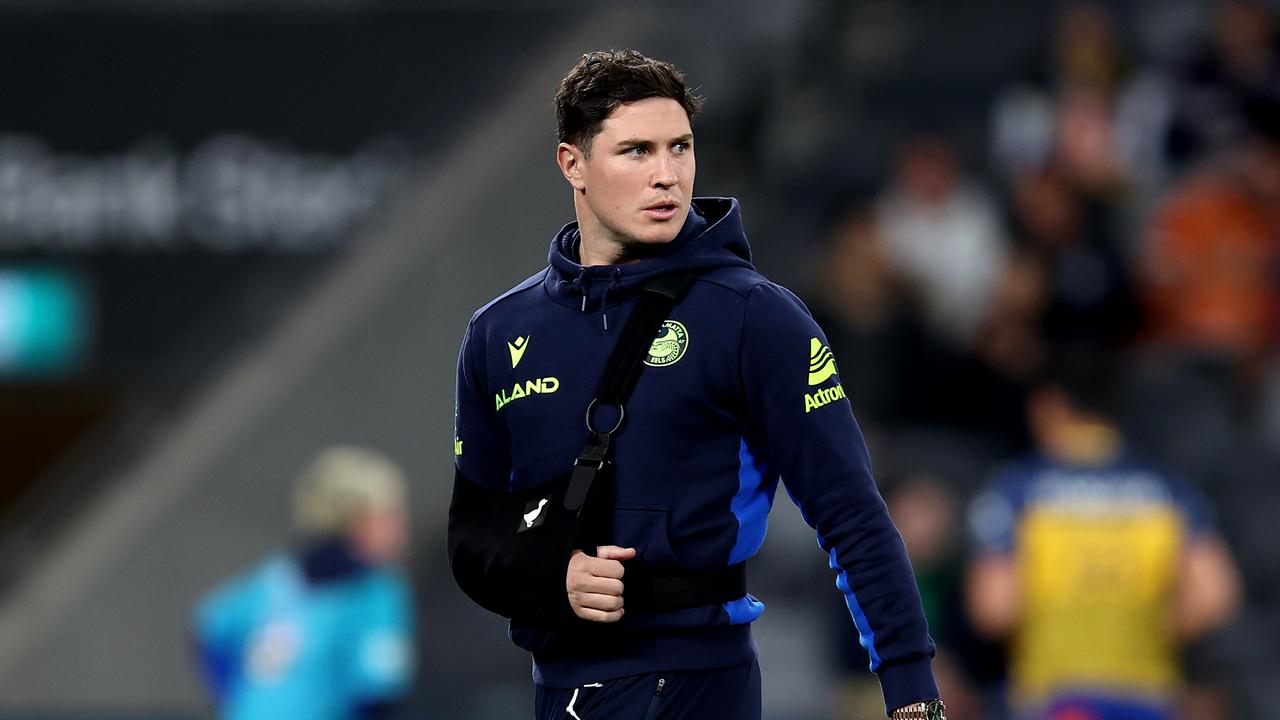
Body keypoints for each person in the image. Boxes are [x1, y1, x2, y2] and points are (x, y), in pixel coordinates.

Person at [449, 49, 942, 720]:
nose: (666, 175)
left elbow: (851, 513)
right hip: (558, 689)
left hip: (695, 682)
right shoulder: (497, 332)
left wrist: (912, 694)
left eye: (680, 148)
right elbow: (475, 536)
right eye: (637, 152)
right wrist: (549, 573)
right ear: (573, 165)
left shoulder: (753, 317)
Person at [965, 350, 1242, 720]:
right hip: (1147, 695)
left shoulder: (1018, 488)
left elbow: (992, 608)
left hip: (1055, 696)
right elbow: (1214, 596)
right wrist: (1145, 629)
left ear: (1049, 406)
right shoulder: (1166, 488)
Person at [193, 446, 415, 720]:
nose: (401, 528)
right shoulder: (377, 592)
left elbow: (208, 628)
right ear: (356, 522)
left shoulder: (277, 576)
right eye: (390, 516)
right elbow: (377, 698)